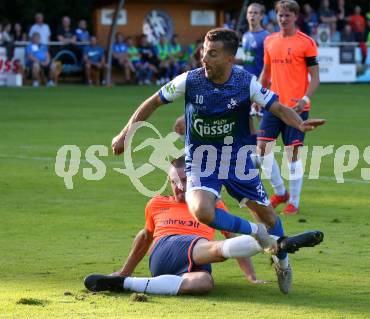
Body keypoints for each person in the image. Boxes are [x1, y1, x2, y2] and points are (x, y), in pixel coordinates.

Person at [111, 28, 325, 294]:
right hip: (201, 161)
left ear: (229, 59)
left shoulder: (245, 82)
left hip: (237, 162)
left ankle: (282, 260)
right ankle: (257, 234)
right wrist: (125, 132)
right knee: (202, 211)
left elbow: (279, 108)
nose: (204, 58)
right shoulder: (189, 80)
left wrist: (300, 125)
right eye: (203, 51)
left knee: (269, 216)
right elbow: (153, 102)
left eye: (212, 53)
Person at [83, 156, 325, 295]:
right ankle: (278, 243)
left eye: (185, 181)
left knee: (205, 283)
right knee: (213, 248)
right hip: (166, 249)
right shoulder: (157, 203)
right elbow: (144, 238)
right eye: (174, 182)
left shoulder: (210, 205)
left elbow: (231, 235)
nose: (179, 187)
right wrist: (125, 267)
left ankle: (123, 285)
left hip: (195, 261)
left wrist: (250, 276)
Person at [256, 0, 320, 215]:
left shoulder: (306, 42)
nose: (283, 19)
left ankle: (294, 201)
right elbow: (265, 73)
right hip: (273, 105)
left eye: (287, 15)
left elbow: (316, 77)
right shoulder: (269, 41)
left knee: (292, 153)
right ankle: (280, 192)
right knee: (262, 150)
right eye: (280, 15)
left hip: (296, 108)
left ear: (295, 17)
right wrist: (256, 94)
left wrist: (304, 99)